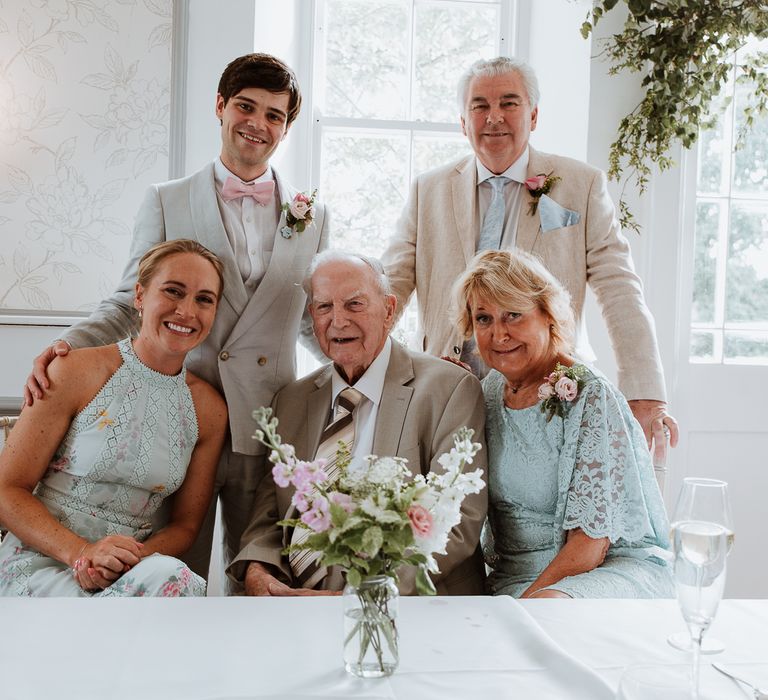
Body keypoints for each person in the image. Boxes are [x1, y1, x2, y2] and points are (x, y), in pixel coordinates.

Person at [22, 53, 329, 587]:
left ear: (286, 127)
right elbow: (127, 301)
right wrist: (63, 347)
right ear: (220, 107)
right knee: (170, 570)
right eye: (246, 107)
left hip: (269, 421)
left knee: (258, 572)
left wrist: (371, 368)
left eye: (274, 115)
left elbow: (311, 321)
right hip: (181, 416)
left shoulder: (312, 217)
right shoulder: (166, 200)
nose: (258, 124)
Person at [382, 55, 678, 455]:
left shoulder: (581, 185)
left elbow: (620, 287)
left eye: (509, 103)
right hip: (448, 391)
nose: (494, 117)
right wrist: (358, 367)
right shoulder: (428, 189)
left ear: (533, 115)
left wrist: (644, 390)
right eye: (480, 106)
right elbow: (391, 286)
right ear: (463, 121)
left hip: (552, 392)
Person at [228, 251, 488, 596]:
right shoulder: (291, 401)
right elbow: (268, 518)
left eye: (354, 305)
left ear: (389, 310)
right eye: (324, 307)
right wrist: (259, 572)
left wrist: (355, 599)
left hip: (408, 609)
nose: (337, 321)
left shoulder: (449, 389)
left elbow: (456, 526)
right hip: (297, 606)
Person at [0, 240, 228, 596]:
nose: (186, 311)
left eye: (204, 299)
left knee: (177, 580)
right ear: (139, 295)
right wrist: (82, 554)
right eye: (172, 291)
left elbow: (185, 526)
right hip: (43, 559)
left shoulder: (209, 410)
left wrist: (123, 561)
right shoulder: (73, 371)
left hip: (128, 570)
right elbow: (6, 490)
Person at [454, 248, 673, 598]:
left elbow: (591, 546)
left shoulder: (588, 394)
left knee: (547, 606)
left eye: (513, 315)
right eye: (484, 319)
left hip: (599, 570)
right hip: (513, 579)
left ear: (548, 315)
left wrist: (520, 610)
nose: (499, 335)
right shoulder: (489, 390)